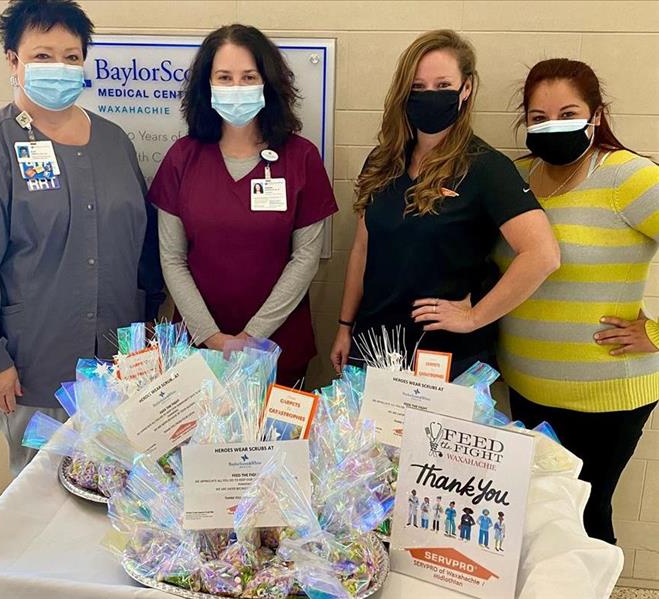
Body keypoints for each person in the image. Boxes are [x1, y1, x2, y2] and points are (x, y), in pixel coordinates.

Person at [0, 0, 164, 475]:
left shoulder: (114, 141)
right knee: (42, 505)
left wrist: (151, 325)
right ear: (14, 61)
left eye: (71, 57)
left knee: (120, 496)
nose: (60, 68)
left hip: (120, 369)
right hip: (34, 370)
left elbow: (142, 244)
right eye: (43, 55)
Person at [330, 30, 559, 377]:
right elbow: (362, 249)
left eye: (442, 85)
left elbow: (543, 255)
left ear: (465, 89)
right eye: (418, 88)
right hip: (373, 345)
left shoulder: (485, 167)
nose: (429, 96)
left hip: (444, 356)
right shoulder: (383, 161)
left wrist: (473, 317)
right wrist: (345, 326)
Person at [495, 58, 658, 545]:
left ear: (596, 115)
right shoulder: (515, 178)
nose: (553, 127)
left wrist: (654, 333)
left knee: (583, 523)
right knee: (537, 519)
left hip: (603, 397)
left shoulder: (628, 178)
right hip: (524, 388)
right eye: (539, 118)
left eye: (568, 112)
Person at [150, 24, 337, 387]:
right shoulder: (182, 158)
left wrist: (252, 338)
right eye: (224, 77)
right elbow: (171, 258)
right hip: (198, 349)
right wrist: (212, 337)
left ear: (267, 82)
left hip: (277, 347)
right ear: (207, 85)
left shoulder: (301, 158)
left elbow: (305, 260)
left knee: (279, 444)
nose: (237, 88)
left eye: (248, 77)